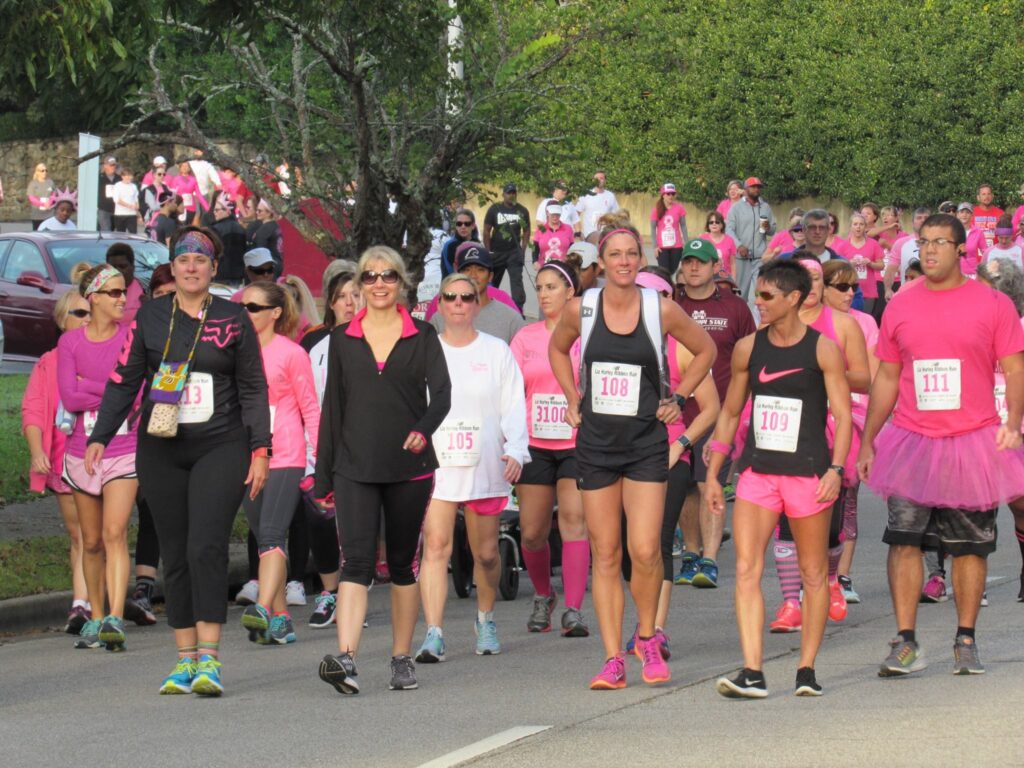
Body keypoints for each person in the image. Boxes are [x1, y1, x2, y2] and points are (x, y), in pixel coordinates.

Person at [86, 227, 271, 695]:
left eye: (201, 260)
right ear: (174, 267)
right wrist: (100, 436)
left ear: (213, 268)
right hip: (162, 447)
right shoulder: (149, 317)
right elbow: (124, 381)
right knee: (175, 551)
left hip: (221, 445)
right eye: (184, 260)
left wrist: (260, 448)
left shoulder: (232, 318)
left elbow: (253, 388)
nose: (192, 267)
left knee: (205, 546)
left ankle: (211, 658)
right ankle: (184, 659)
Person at [549, 225, 715, 690]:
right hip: (597, 444)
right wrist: (571, 396)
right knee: (606, 553)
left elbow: (706, 349)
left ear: (641, 260)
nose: (623, 262)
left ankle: (646, 637)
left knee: (644, 550)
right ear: (601, 263)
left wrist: (679, 398)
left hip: (645, 441)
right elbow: (557, 349)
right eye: (615, 255)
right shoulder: (581, 308)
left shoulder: (659, 308)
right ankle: (610, 658)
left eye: (631, 254)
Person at [858, 213, 1024, 677]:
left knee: (970, 545)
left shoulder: (993, 304)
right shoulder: (901, 306)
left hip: (973, 440)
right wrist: (869, 439)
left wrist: (1013, 421)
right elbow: (886, 376)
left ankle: (965, 639)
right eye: (923, 243)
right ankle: (906, 641)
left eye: (938, 243)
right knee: (904, 540)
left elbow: (1015, 368)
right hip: (911, 439)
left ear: (960, 250)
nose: (928, 251)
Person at [706, 259, 852, 698]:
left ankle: (806, 669)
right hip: (757, 472)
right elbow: (731, 412)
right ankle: (753, 670)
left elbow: (843, 417)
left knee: (813, 574)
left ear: (794, 298)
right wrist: (715, 472)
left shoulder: (822, 348)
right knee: (747, 568)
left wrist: (836, 469)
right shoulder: (750, 348)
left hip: (808, 474)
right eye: (758, 294)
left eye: (768, 295)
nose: (759, 302)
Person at [315, 245, 451, 695]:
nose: (378, 284)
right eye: (369, 276)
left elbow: (444, 395)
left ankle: (400, 657)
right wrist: (323, 475)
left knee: (400, 564)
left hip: (409, 467)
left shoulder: (423, 334)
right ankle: (347, 658)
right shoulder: (341, 339)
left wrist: (423, 429)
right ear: (358, 284)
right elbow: (332, 408)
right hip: (353, 466)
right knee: (354, 562)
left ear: (402, 283)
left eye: (387, 276)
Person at [415, 272, 529, 662]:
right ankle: (434, 633)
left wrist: (516, 449)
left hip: (485, 465)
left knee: (486, 555)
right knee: (435, 547)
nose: (459, 304)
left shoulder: (496, 350)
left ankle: (486, 618)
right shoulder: (426, 349)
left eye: (467, 297)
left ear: (477, 304)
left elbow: (514, 403)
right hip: (440, 465)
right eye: (451, 297)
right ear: (440, 304)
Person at [623, 267, 720, 659]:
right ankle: (640, 621)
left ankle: (654, 629)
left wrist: (681, 444)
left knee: (659, 544)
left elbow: (711, 408)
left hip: (667, 455)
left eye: (652, 299)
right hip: (620, 455)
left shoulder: (680, 347)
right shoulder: (614, 341)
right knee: (627, 548)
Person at [767, 256, 868, 633]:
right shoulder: (773, 324)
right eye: (803, 279)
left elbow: (865, 379)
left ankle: (828, 580)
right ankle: (791, 601)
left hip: (829, 431)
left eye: (815, 279)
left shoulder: (843, 325)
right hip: (784, 429)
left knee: (829, 521)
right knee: (785, 518)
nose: (809, 287)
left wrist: (824, 372)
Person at [57, 264, 139, 651]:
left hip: (124, 450)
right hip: (80, 453)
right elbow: (69, 400)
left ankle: (115, 618)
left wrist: (90, 386)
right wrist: (111, 388)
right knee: (90, 542)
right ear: (93, 297)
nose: (123, 299)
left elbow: (137, 396)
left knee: (114, 534)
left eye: (124, 292)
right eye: (114, 293)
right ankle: (94, 614)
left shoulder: (130, 339)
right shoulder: (69, 344)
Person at [508, 262, 589, 637]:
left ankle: (573, 608)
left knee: (574, 521)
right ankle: (544, 595)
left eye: (552, 287)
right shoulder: (524, 337)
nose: (543, 294)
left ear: (570, 292)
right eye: (539, 287)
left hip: (576, 442)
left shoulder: (588, 335)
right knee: (531, 532)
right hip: (534, 444)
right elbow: (510, 394)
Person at [238, 282, 319, 646]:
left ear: (274, 313)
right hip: (245, 457)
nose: (245, 313)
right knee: (263, 538)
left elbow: (310, 409)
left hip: (286, 456)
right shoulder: (234, 353)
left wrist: (320, 461)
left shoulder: (291, 353)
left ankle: (264, 609)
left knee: (271, 534)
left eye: (253, 307)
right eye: (242, 306)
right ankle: (283, 618)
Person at [673, 239, 756, 588]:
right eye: (688, 261)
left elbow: (753, 356)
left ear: (715, 267)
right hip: (677, 412)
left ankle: (709, 557)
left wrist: (745, 410)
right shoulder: (671, 307)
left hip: (720, 411)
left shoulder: (735, 308)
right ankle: (690, 553)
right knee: (685, 488)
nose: (694, 268)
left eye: (701, 262)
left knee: (711, 482)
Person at [22, 280, 92, 634]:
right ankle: (81, 603)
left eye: (90, 313)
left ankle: (101, 599)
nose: (86, 318)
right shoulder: (47, 364)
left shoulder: (105, 355)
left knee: (104, 533)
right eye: (79, 313)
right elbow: (33, 409)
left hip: (102, 459)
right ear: (62, 319)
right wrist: (37, 452)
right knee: (79, 535)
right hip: (64, 461)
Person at [301, 268, 361, 628]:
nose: (349, 303)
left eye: (356, 295)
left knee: (354, 523)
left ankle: (354, 593)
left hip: (362, 444)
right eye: (342, 297)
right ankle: (329, 592)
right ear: (331, 304)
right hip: (321, 445)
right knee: (319, 518)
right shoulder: (316, 345)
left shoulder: (376, 341)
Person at [822, 259, 879, 603]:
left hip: (851, 417)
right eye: (841, 287)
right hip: (814, 418)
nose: (850, 293)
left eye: (854, 287)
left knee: (848, 499)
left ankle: (841, 576)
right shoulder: (807, 321)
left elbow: (871, 378)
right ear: (823, 289)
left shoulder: (865, 322)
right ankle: (811, 577)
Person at [979, 260, 1024, 602]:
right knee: (978, 506)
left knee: (1020, 504)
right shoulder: (972, 322)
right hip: (979, 421)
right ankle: (972, 576)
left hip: (1015, 421)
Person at [430, 243, 525, 344]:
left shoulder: (511, 319)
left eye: (480, 270)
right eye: (467, 270)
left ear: (490, 276)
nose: (473, 276)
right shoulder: (440, 317)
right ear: (458, 274)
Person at [726, 177, 776, 300]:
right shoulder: (736, 208)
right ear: (746, 189)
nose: (756, 189)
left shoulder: (765, 207)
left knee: (758, 295)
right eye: (753, 187)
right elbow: (729, 229)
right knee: (740, 294)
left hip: (760, 258)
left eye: (759, 187)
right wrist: (739, 246)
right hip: (742, 258)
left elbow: (772, 230)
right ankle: (739, 318)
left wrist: (768, 227)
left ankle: (756, 319)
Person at [483, 183, 531, 310]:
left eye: (514, 193)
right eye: (509, 193)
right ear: (503, 194)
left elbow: (526, 231)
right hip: (496, 252)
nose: (511, 195)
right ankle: (488, 308)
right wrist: (488, 251)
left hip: (514, 253)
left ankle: (518, 310)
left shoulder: (522, 211)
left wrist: (523, 249)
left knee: (517, 284)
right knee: (492, 283)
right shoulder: (495, 209)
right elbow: (487, 230)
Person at [835, 212, 886, 317]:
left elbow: (881, 265)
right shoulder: (842, 246)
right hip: (848, 291)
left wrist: (870, 263)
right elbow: (836, 268)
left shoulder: (873, 244)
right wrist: (849, 264)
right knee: (850, 321)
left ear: (865, 227)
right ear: (850, 227)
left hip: (868, 292)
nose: (858, 227)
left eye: (861, 224)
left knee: (865, 321)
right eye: (855, 224)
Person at [883, 207, 931, 300]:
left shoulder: (940, 243)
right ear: (912, 223)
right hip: (908, 294)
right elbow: (891, 270)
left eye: (926, 217)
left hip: (933, 293)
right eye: (919, 218)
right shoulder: (901, 243)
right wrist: (888, 289)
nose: (923, 220)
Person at [650, 183, 688, 275]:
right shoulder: (656, 209)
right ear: (663, 195)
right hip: (662, 247)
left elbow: (683, 225)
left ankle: (669, 287)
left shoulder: (679, 208)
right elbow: (652, 228)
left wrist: (686, 243)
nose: (671, 196)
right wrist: (655, 246)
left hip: (677, 246)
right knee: (664, 271)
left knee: (672, 270)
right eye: (668, 194)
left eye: (673, 194)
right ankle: (666, 288)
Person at [104, 242, 146, 325]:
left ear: (133, 267)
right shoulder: (98, 293)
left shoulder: (147, 291)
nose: (117, 271)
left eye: (123, 266)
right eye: (113, 267)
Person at [211, 196, 247, 286]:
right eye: (214, 210)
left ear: (227, 211)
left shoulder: (216, 229)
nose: (214, 213)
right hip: (237, 275)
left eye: (217, 210)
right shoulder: (241, 228)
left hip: (220, 275)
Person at [576, 171, 621, 238]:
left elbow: (617, 215)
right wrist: (578, 231)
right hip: (589, 236)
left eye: (601, 178)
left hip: (606, 235)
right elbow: (576, 214)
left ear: (605, 181)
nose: (599, 180)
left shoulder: (610, 196)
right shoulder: (586, 195)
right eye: (596, 179)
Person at [168, 160, 210, 225]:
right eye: (183, 166)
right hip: (179, 206)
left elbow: (199, 195)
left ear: (189, 168)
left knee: (188, 226)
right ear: (180, 168)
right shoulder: (176, 179)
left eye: (186, 166)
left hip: (191, 207)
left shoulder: (193, 179)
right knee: (179, 226)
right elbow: (172, 193)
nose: (184, 167)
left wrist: (207, 208)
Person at [441, 208, 479, 278]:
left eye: (467, 224)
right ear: (456, 226)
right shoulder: (450, 245)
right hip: (453, 284)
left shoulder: (478, 244)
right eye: (459, 224)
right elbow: (452, 273)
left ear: (473, 226)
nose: (463, 227)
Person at [249, 199, 283, 276]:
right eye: (257, 210)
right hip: (279, 264)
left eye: (260, 211)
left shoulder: (264, 230)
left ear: (268, 213)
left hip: (268, 268)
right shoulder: (277, 226)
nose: (257, 213)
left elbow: (260, 251)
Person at [699, 211, 737, 280]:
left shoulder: (730, 240)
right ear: (708, 225)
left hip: (725, 279)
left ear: (722, 225)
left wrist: (733, 280)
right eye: (711, 222)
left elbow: (733, 263)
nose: (714, 224)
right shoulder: (702, 239)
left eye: (717, 222)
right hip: (707, 279)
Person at [972, 183, 1004, 249]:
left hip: (995, 255)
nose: (986, 197)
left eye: (989, 194)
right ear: (978, 197)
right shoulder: (972, 213)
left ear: (992, 196)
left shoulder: (1001, 213)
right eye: (983, 194)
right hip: (976, 256)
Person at [28, 162, 56, 231]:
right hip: (37, 216)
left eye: (46, 170)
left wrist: (49, 202)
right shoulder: (33, 184)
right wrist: (43, 204)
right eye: (42, 171)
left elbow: (54, 194)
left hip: (49, 215)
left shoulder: (50, 182)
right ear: (37, 172)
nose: (44, 172)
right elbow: (31, 198)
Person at [112, 167, 140, 233]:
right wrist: (128, 206)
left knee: (133, 234)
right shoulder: (117, 185)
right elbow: (116, 199)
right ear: (122, 176)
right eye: (126, 175)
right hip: (120, 214)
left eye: (130, 175)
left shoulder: (133, 186)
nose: (128, 177)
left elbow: (136, 198)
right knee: (121, 235)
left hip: (131, 215)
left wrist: (137, 209)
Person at [96, 156, 120, 232]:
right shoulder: (99, 178)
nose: (113, 167)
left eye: (114, 165)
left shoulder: (119, 178)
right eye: (111, 165)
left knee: (114, 232)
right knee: (106, 231)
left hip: (116, 209)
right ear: (105, 166)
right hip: (103, 209)